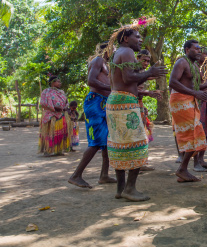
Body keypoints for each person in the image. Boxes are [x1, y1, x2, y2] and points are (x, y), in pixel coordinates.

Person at [106, 21, 168, 201]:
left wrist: (148, 73)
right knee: (138, 142)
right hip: (124, 102)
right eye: (137, 36)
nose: (141, 40)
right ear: (126, 38)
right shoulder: (126, 52)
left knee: (120, 143)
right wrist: (150, 72)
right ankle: (130, 189)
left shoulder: (120, 52)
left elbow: (129, 80)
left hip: (118, 101)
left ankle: (120, 189)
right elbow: (128, 78)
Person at [169, 40, 207, 182]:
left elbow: (195, 86)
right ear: (187, 50)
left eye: (199, 49)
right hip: (180, 100)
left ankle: (183, 170)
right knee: (194, 134)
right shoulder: (181, 62)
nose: (198, 51)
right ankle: (182, 169)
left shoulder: (194, 65)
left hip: (189, 99)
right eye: (196, 49)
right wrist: (195, 93)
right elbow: (172, 82)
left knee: (195, 134)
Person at [69, 42, 117, 189]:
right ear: (107, 50)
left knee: (106, 142)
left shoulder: (106, 65)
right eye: (113, 50)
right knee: (96, 142)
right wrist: (112, 88)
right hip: (95, 102)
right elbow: (91, 81)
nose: (114, 53)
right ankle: (76, 175)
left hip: (103, 103)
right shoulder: (98, 61)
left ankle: (104, 175)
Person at [137, 49, 163, 171]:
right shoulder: (133, 71)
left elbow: (148, 76)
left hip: (140, 105)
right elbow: (130, 88)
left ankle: (141, 163)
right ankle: (136, 164)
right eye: (144, 60)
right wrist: (148, 92)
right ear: (137, 59)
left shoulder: (142, 72)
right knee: (137, 134)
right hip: (132, 105)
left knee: (143, 134)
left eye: (148, 61)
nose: (146, 63)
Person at [39, 75, 72, 156]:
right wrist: (53, 108)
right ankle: (48, 150)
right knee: (50, 133)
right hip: (50, 115)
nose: (60, 83)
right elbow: (43, 103)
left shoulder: (61, 92)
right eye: (58, 81)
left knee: (60, 133)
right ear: (53, 82)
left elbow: (66, 102)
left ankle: (59, 150)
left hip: (61, 115)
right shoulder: (46, 92)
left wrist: (64, 107)